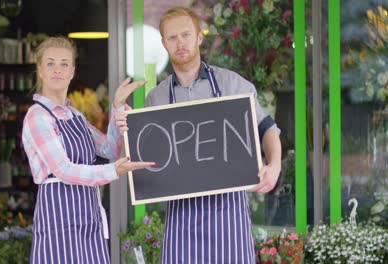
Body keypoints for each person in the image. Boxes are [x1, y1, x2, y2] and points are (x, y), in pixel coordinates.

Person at [145, 7, 282, 263]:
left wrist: (273, 165)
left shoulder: (232, 84)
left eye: (186, 34)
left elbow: (267, 128)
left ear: (199, 37)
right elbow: (150, 157)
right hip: (180, 217)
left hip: (228, 213)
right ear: (164, 43)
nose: (180, 43)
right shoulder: (156, 97)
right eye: (172, 38)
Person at [22, 37, 154, 264]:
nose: (57, 70)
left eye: (64, 64)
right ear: (40, 70)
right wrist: (114, 171)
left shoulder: (75, 116)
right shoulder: (37, 116)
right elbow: (63, 170)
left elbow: (109, 149)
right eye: (50, 63)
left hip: (88, 221)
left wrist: (117, 107)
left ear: (72, 72)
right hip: (58, 225)